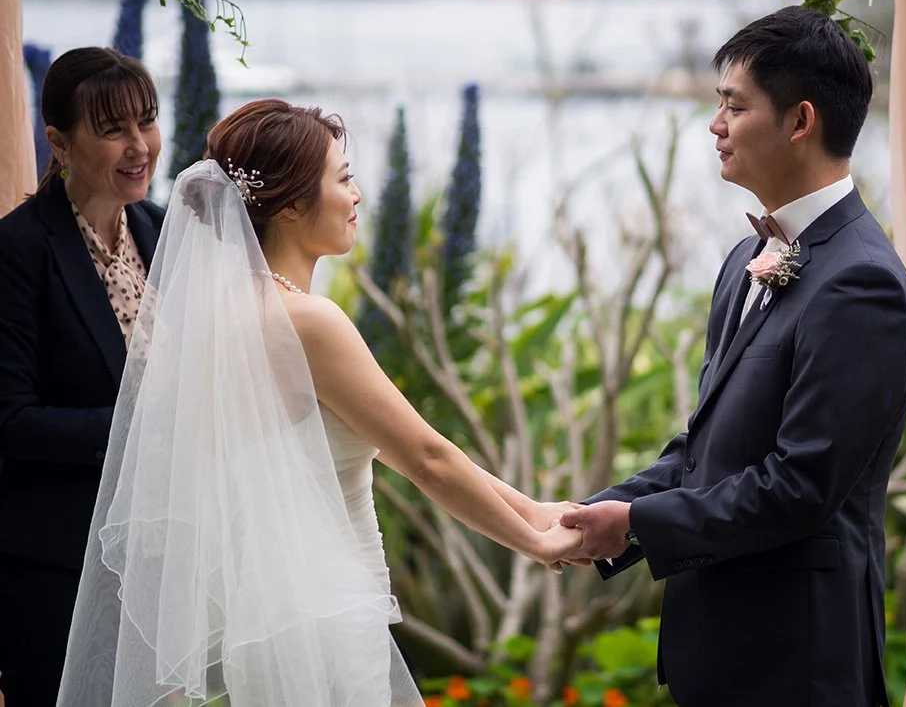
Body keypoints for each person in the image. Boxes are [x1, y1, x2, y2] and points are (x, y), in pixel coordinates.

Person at [57, 99, 581, 707]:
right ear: (289, 204)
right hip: (328, 611)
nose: (357, 195)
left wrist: (535, 510)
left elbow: (388, 444)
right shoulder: (308, 321)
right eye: (344, 178)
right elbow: (425, 456)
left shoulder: (213, 319)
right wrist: (535, 543)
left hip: (267, 620)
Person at [559, 6, 906, 707]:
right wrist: (598, 511)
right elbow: (706, 452)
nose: (714, 124)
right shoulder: (747, 257)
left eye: (734, 104)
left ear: (799, 121)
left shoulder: (862, 283)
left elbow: (799, 487)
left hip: (797, 664)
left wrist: (636, 524)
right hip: (720, 655)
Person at [0, 47, 164, 707]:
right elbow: (11, 420)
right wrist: (137, 428)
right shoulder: (19, 250)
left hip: (153, 562)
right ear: (59, 142)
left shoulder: (159, 230)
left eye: (146, 121)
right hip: (54, 565)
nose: (139, 146)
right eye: (112, 128)